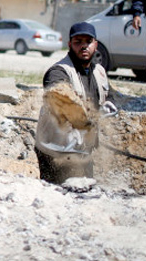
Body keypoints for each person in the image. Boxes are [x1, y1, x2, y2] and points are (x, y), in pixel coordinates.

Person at [34, 22, 116, 184]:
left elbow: (109, 96)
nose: (84, 46)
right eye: (78, 42)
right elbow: (58, 97)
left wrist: (109, 105)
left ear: (95, 44)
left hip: (83, 150)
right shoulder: (58, 71)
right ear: (70, 44)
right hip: (57, 152)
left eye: (88, 42)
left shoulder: (99, 71)